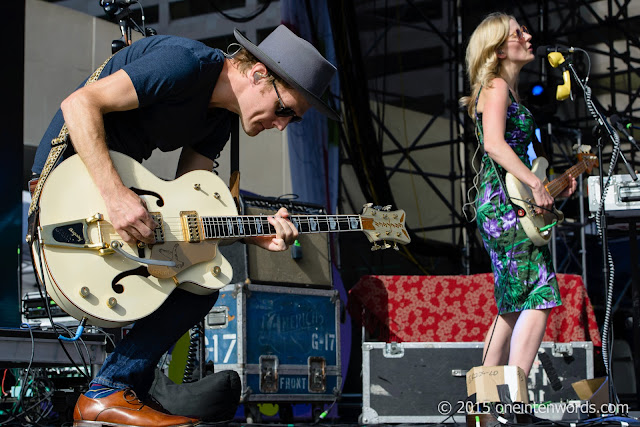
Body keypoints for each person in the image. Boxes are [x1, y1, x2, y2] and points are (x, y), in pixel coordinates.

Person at [30, 25, 340, 427]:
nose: (281, 126)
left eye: (292, 121)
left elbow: (189, 210)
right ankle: (111, 393)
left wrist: (250, 231)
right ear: (259, 73)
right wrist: (115, 195)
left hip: (113, 195)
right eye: (284, 110)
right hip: (72, 190)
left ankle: (115, 393)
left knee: (199, 283)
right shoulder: (186, 63)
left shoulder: (219, 121)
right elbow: (79, 105)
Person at [459, 12, 577, 377]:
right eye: (517, 33)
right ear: (497, 51)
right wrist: (537, 184)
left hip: (505, 201)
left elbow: (512, 154)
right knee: (539, 294)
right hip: (504, 205)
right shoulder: (494, 86)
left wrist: (550, 182)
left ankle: (485, 405)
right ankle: (515, 400)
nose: (528, 36)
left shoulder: (506, 90)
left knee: (513, 302)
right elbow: (494, 144)